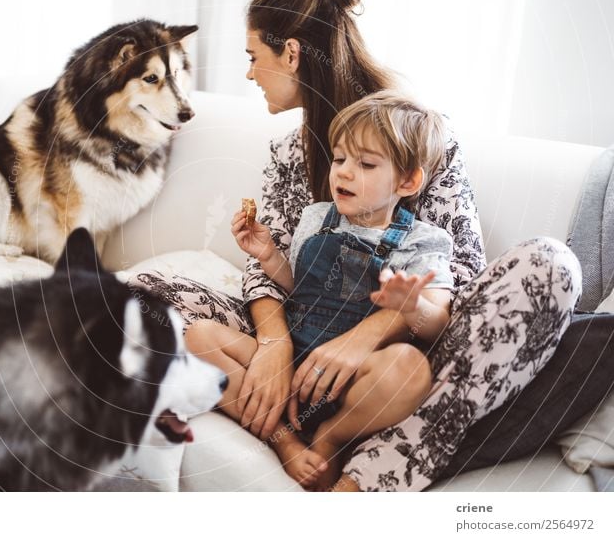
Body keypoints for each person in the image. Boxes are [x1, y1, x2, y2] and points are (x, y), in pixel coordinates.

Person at [130, 0, 586, 492]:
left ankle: (375, 466)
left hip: (405, 348)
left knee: (552, 266)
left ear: (293, 54)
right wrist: (275, 345)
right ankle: (284, 421)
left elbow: (457, 275)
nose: (250, 74)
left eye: (254, 56)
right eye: (341, 160)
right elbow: (272, 267)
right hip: (302, 333)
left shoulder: (417, 136)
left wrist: (364, 336)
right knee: (137, 298)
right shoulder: (286, 153)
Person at [186, 92, 455, 490]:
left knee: (410, 370)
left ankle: (330, 437)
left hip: (351, 384)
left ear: (407, 180)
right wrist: (269, 257)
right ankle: (285, 441)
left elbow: (438, 320)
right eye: (340, 158)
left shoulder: (424, 241)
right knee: (199, 337)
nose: (343, 172)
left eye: (365, 164)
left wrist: (412, 305)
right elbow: (302, 286)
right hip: (291, 361)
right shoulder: (316, 218)